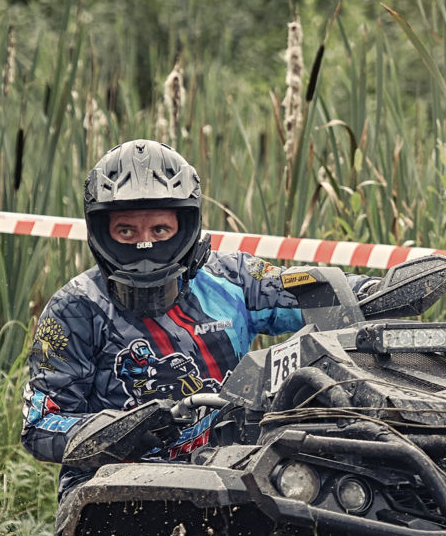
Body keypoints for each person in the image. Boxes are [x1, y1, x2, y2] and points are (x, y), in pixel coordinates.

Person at [21, 139, 371, 499]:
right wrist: (121, 430)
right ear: (101, 232)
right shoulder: (74, 308)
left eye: (160, 230)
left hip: (233, 475)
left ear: (186, 225)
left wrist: (377, 292)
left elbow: (312, 292)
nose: (145, 245)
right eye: (126, 231)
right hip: (113, 486)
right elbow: (40, 425)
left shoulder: (233, 277)